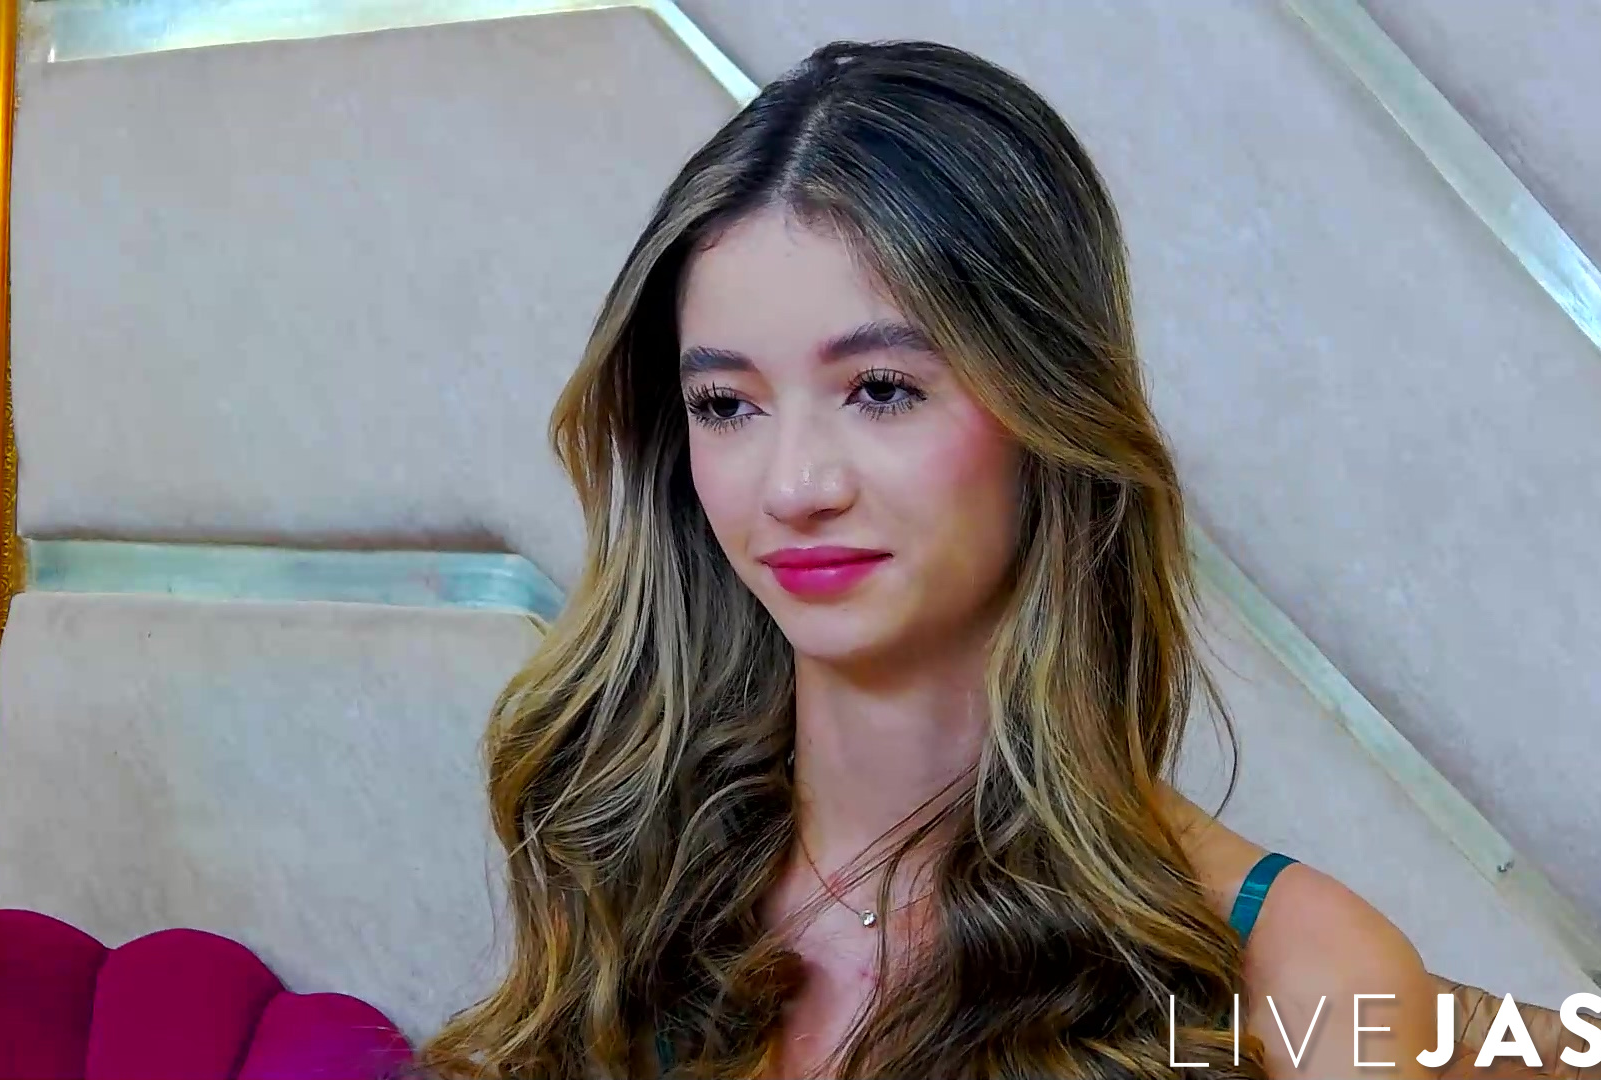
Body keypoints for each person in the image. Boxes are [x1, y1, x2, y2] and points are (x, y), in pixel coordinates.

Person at [420, 39, 1438, 1080]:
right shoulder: (625, 865)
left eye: (881, 390)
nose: (793, 487)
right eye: (725, 405)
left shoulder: (1311, 978)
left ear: (1050, 409)